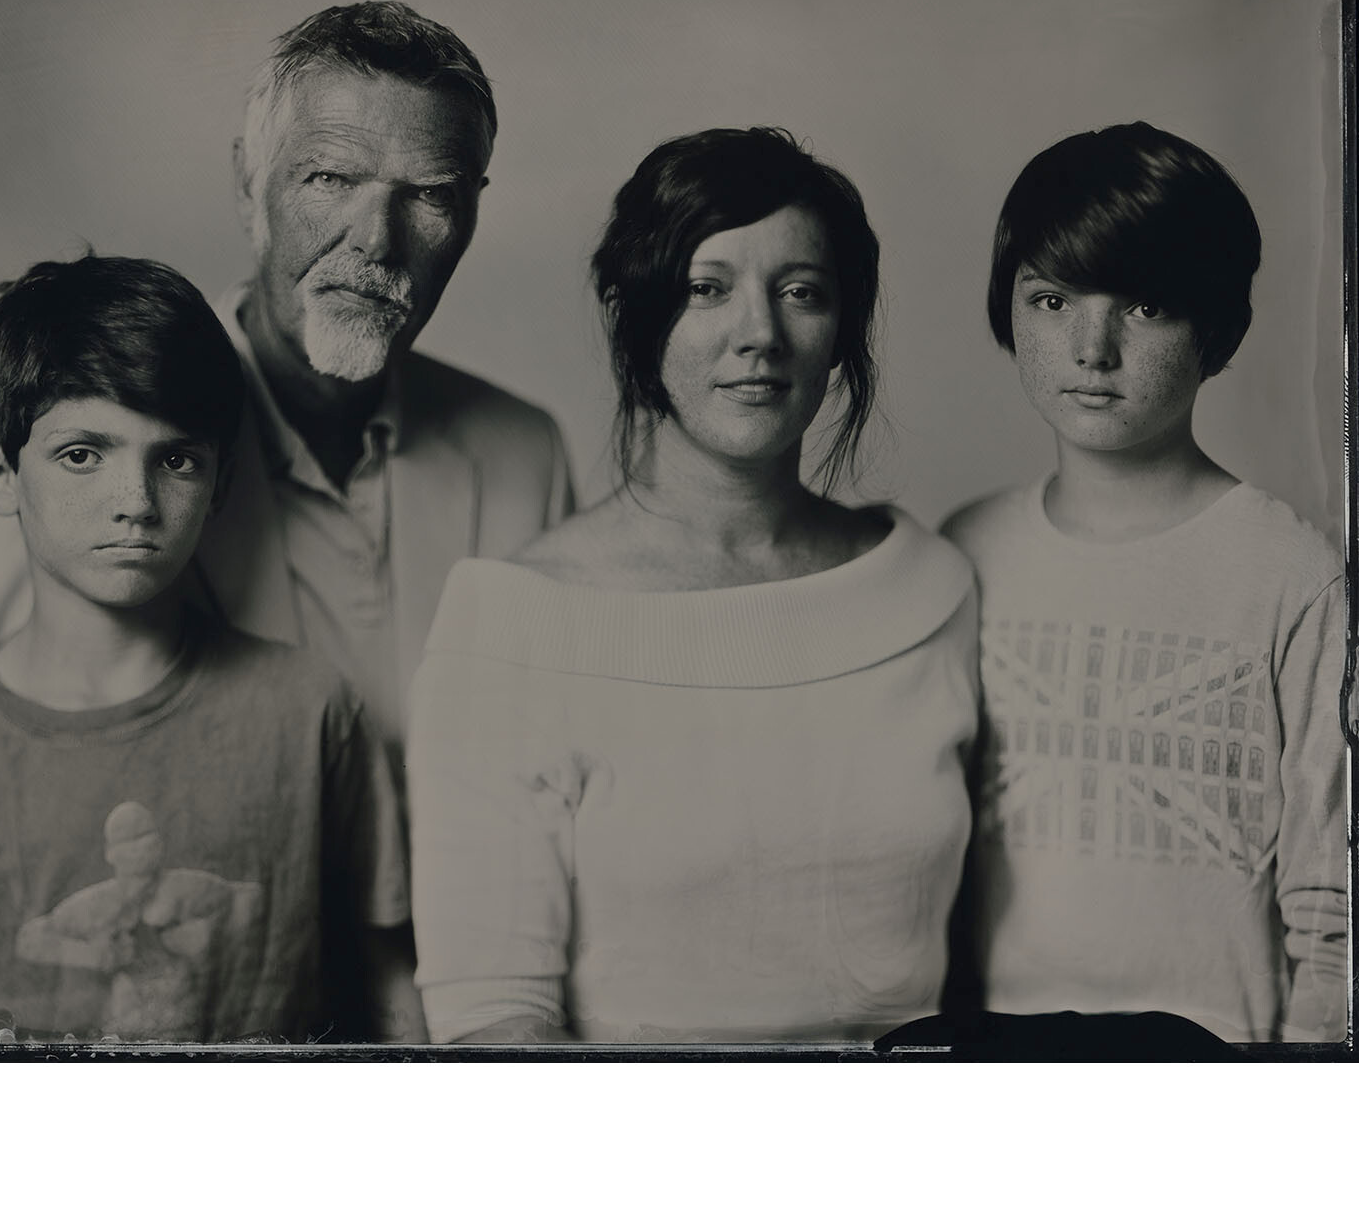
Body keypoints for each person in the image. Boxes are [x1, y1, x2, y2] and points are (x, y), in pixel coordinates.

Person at [407, 127, 979, 1044]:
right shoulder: (512, 624)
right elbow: (492, 1021)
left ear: (841, 334)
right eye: (707, 289)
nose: (759, 334)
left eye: (801, 292)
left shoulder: (928, 590)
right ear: (636, 316)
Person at [0, 1, 574, 787]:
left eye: (430, 194)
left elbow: (555, 760)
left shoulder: (523, 456)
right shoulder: (58, 451)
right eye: (330, 178)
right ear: (246, 186)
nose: (376, 240)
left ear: (471, 213)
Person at [0, 255, 411, 1044]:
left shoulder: (308, 712)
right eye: (81, 455)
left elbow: (387, 986)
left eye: (174, 460)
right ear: (0, 477)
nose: (134, 503)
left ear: (220, 483)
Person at [941, 122, 1348, 1044]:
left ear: (1220, 331)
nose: (1092, 347)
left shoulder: (1294, 577)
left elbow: (1333, 923)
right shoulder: (968, 550)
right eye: (1052, 300)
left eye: (1147, 307)